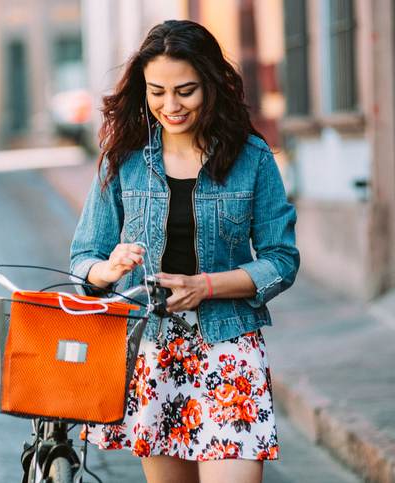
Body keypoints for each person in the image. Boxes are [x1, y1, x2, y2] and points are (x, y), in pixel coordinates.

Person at [70, 20, 300, 483]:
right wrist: (109, 268)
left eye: (186, 91)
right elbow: (83, 260)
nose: (170, 106)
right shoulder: (124, 161)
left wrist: (206, 287)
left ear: (211, 86)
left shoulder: (252, 158)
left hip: (230, 350)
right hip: (151, 352)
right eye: (157, 92)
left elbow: (281, 260)